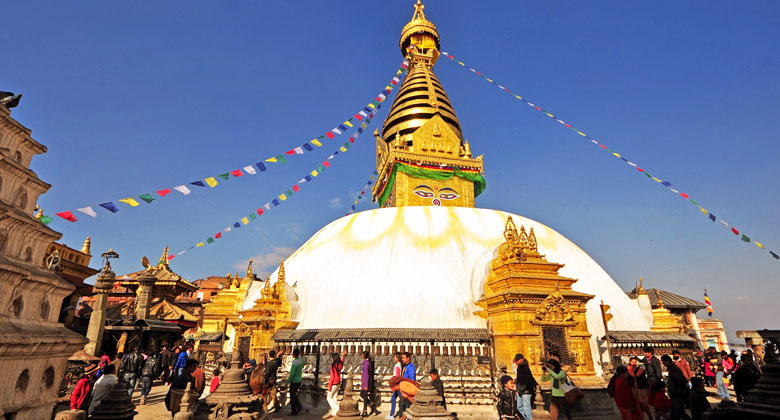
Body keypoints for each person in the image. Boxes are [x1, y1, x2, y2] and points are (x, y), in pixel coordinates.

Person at [660, 354, 691, 420]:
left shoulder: (674, 369)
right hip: (673, 394)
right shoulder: (671, 369)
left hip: (677, 394)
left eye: (663, 362)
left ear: (667, 361)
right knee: (674, 413)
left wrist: (678, 390)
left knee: (680, 412)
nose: (663, 363)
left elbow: (682, 380)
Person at [513, 353, 537, 420]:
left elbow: (527, 380)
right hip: (520, 391)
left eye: (517, 360)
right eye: (516, 360)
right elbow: (518, 380)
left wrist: (522, 388)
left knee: (527, 408)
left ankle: (529, 419)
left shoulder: (526, 368)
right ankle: (528, 419)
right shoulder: (519, 368)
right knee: (519, 406)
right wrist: (517, 389)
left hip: (526, 391)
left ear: (522, 359)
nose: (516, 362)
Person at [325, 350, 347, 419]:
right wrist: (343, 355)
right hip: (338, 383)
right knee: (334, 397)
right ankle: (334, 412)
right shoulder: (340, 364)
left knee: (329, 398)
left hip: (334, 383)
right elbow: (342, 361)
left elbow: (332, 377)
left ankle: (337, 409)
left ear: (334, 359)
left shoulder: (333, 366)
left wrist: (329, 386)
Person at [361, 351, 379, 417]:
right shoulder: (366, 363)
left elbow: (366, 375)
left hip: (365, 383)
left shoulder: (366, 364)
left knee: (365, 397)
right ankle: (371, 405)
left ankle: (365, 411)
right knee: (362, 395)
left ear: (363, 356)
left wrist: (366, 385)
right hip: (364, 383)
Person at [287, 348, 305, 416]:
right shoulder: (301, 360)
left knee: (292, 397)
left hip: (294, 381)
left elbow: (292, 374)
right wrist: (302, 356)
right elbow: (304, 360)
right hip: (299, 380)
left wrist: (287, 382)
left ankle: (294, 411)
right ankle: (299, 406)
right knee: (294, 395)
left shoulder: (295, 362)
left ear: (293, 354)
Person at [387, 352, 403, 419]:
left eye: (395, 357)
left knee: (400, 399)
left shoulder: (397, 366)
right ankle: (392, 414)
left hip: (397, 385)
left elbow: (397, 376)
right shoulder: (399, 365)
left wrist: (394, 386)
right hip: (397, 385)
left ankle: (393, 414)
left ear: (397, 358)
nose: (394, 358)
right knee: (394, 398)